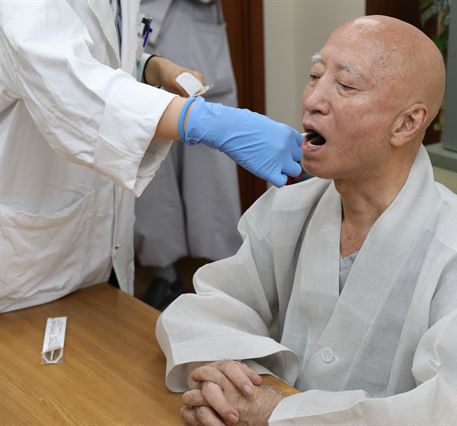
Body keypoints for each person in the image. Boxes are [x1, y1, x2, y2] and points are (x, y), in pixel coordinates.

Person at [156, 15, 457, 425]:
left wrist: (278, 414)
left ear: (407, 123)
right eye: (314, 75)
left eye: (346, 85)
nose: (313, 99)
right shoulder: (290, 208)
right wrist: (234, 381)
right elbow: (213, 306)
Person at [0, 1, 302, 313]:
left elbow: (98, 45)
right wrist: (205, 121)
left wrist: (148, 66)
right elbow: (66, 83)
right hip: (27, 269)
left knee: (102, 326)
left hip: (91, 252)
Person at [135, 0, 243, 309]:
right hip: (142, 26)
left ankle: (225, 281)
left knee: (209, 163)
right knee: (152, 161)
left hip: (195, 25)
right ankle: (162, 272)